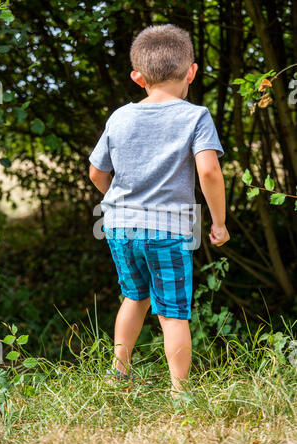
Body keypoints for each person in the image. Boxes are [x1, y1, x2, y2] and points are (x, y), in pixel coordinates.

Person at [89, 24, 230, 398]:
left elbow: (97, 172)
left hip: (118, 227)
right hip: (168, 230)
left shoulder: (119, 117)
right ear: (192, 71)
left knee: (134, 297)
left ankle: (118, 374)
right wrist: (218, 223)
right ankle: (179, 392)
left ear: (138, 77)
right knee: (173, 311)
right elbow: (209, 171)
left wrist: (119, 204)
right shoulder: (195, 117)